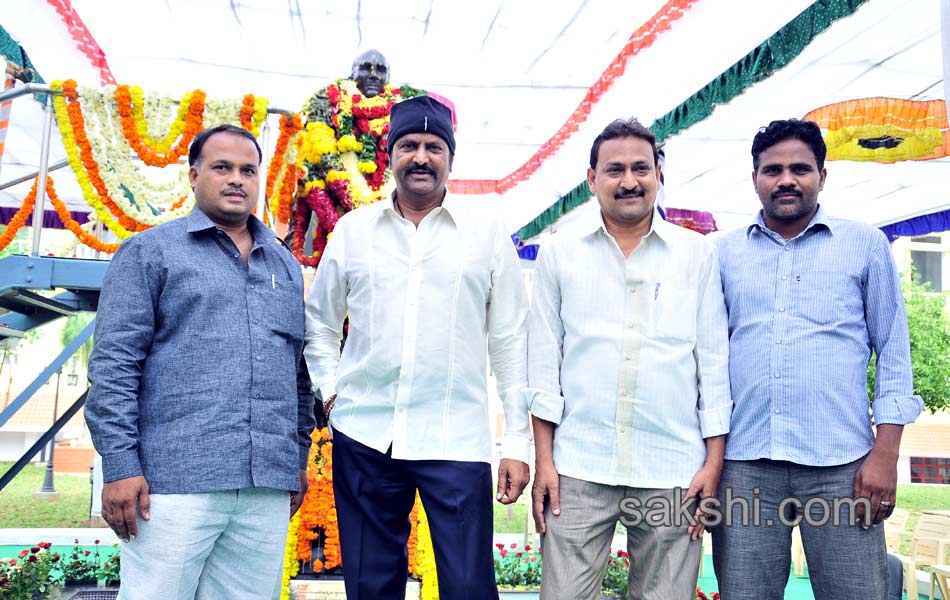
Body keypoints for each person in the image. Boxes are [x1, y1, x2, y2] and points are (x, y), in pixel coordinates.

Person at [304, 94, 531, 600]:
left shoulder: (487, 236)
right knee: (370, 584)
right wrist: (332, 393)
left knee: (469, 587)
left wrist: (517, 442)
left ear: (451, 158)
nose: (421, 157)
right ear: (389, 155)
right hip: (364, 432)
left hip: (455, 435)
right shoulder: (353, 231)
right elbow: (317, 323)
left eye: (434, 146)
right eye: (409, 145)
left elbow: (512, 342)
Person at [85, 124, 315, 600]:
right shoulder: (151, 252)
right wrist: (120, 465)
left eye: (248, 170)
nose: (236, 179)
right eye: (222, 168)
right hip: (173, 484)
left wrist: (294, 459)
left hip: (264, 489)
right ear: (193, 176)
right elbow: (113, 367)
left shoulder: (284, 264)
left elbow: (297, 374)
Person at [711, 119, 924, 599]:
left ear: (822, 176)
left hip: (844, 466)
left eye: (800, 169)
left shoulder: (864, 244)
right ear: (755, 178)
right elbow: (703, 356)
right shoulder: (720, 254)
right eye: (773, 170)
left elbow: (893, 350)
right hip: (745, 464)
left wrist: (885, 453)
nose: (786, 179)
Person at [527, 118, 732, 600]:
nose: (629, 181)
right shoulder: (558, 254)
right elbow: (543, 362)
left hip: (673, 467)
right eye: (614, 169)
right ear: (591, 179)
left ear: (659, 173)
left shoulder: (697, 254)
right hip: (578, 463)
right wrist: (545, 461)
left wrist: (712, 464)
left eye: (641, 168)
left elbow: (714, 366)